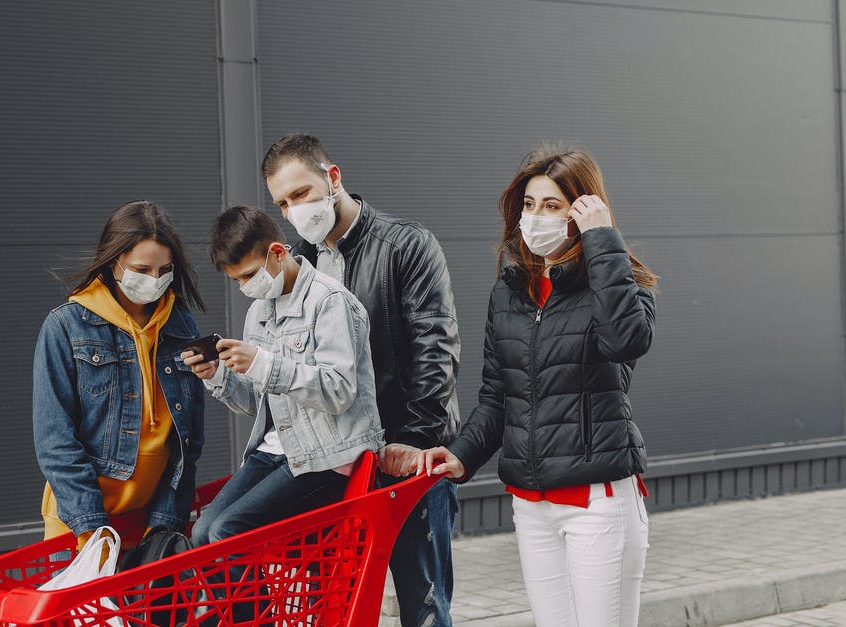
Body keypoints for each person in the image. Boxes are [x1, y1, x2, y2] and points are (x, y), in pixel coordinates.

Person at [410, 148, 658, 627]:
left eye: (552, 205)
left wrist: (603, 240)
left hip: (597, 504)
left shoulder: (620, 284)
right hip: (531, 505)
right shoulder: (510, 291)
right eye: (529, 204)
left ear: (582, 211)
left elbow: (627, 341)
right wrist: (461, 454)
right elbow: (497, 397)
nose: (536, 216)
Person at [262, 133, 461, 626]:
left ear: (333, 178)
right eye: (283, 203)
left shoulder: (406, 246)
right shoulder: (296, 263)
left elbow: (435, 351)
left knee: (424, 605)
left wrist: (414, 441)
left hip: (403, 460)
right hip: (332, 465)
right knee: (336, 609)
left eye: (301, 193)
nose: (294, 210)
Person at [186, 205, 384, 547]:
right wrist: (218, 374)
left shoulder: (330, 301)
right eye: (237, 281)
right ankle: (243, 604)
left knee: (227, 530)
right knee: (203, 531)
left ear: (278, 252)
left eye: (249, 275)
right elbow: (257, 404)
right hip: (276, 452)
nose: (245, 287)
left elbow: (339, 391)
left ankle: (253, 604)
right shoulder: (259, 311)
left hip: (327, 457)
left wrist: (264, 364)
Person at [32, 200, 206, 549]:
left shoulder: (181, 324)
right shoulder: (65, 326)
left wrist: (164, 523)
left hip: (151, 522)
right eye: (142, 270)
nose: (154, 281)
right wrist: (92, 529)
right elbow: (55, 442)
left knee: (159, 606)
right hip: (80, 523)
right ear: (114, 263)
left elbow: (188, 440)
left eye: (164, 270)